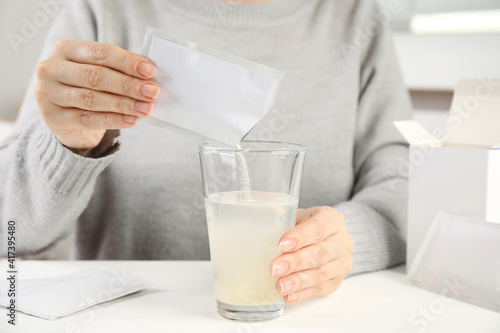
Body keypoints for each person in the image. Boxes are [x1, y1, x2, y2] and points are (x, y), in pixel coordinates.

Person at [0, 0, 412, 304]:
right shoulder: (100, 11)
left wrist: (344, 243)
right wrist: (67, 146)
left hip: (305, 317)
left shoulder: (357, 18)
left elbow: (404, 186)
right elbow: (10, 230)